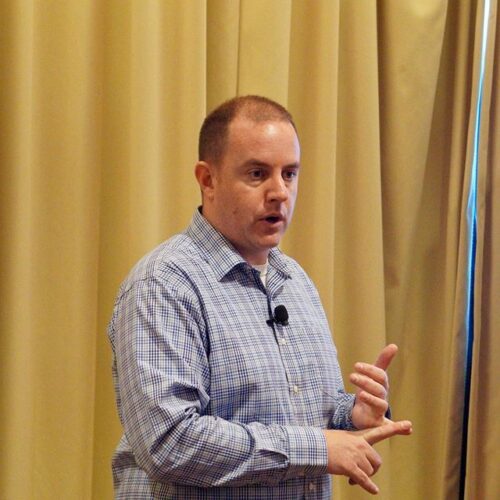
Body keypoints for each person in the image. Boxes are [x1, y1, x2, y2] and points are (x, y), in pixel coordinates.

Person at [108, 95, 412, 499]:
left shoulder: (295, 281)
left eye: (290, 174)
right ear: (208, 179)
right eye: (257, 174)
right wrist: (318, 448)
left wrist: (352, 414)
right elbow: (169, 441)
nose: (279, 192)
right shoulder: (163, 284)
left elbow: (304, 413)